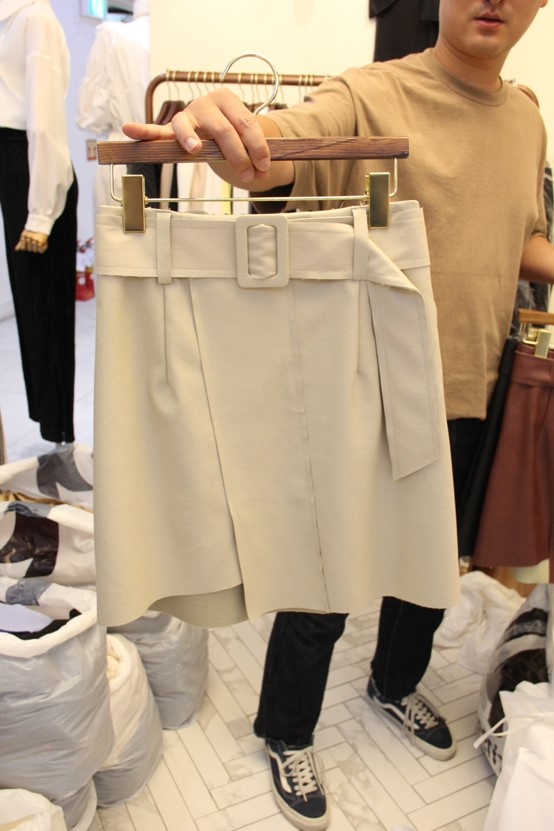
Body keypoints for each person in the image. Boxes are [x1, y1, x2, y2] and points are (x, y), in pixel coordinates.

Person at [123, 1, 554, 828]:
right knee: (322, 581)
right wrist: (229, 133)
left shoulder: (527, 121)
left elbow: (520, 236)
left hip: (473, 386)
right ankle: (287, 728)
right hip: (367, 390)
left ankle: (394, 681)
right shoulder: (370, 95)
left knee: (432, 572)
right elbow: (278, 151)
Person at [0, 0, 78, 447]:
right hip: (25, 168)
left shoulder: (27, 18)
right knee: (37, 304)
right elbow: (37, 117)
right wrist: (38, 211)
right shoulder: (22, 18)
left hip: (28, 168)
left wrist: (40, 213)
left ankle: (57, 428)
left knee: (44, 304)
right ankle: (53, 426)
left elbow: (43, 121)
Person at [77, 0, 150, 211]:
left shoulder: (113, 35)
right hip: (171, 160)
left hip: (120, 158)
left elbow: (89, 116)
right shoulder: (182, 39)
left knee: (117, 229)